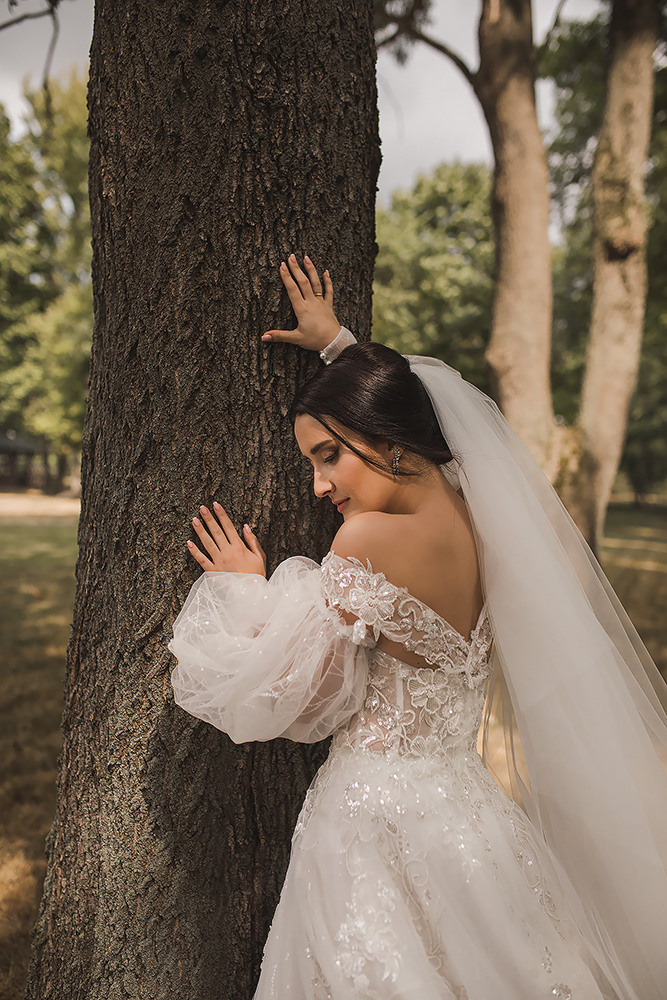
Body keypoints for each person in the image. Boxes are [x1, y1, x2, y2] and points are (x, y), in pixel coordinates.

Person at [169, 257, 667, 1000]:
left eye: (327, 456)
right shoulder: (481, 516)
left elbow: (299, 698)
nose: (319, 484)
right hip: (470, 816)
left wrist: (243, 592)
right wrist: (337, 348)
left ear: (386, 435)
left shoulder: (366, 539)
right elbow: (404, 413)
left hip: (374, 823)